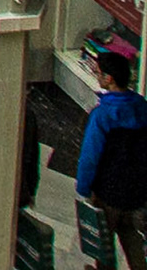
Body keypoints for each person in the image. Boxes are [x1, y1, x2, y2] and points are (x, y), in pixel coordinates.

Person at [78, 49, 147, 269]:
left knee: (104, 249)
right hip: (136, 193)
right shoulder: (142, 107)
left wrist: (84, 188)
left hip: (108, 193)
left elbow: (90, 156)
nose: (97, 76)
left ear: (109, 79)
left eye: (98, 73)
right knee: (132, 238)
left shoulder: (103, 115)